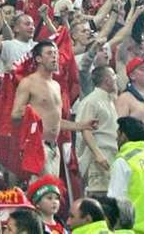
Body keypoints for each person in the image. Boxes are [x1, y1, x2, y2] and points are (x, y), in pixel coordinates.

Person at [13, 40, 94, 176]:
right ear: (38, 59)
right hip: (36, 145)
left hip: (54, 147)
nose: (55, 56)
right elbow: (15, 114)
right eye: (49, 53)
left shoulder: (56, 85)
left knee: (51, 191)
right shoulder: (28, 83)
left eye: (56, 53)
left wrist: (82, 126)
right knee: (40, 192)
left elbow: (55, 121)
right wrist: (31, 114)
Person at [74, 65, 118, 196]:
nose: (117, 78)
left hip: (111, 155)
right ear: (107, 79)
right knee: (99, 196)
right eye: (114, 75)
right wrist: (98, 154)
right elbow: (85, 129)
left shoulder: (109, 101)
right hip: (98, 157)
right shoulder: (91, 101)